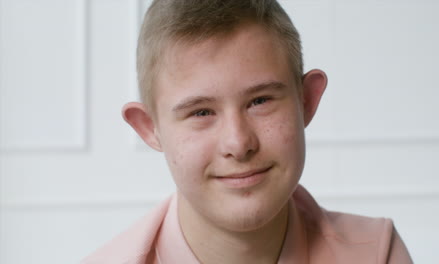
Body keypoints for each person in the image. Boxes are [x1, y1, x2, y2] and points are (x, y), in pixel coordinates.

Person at [81, 0, 413, 263]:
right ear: (150, 128)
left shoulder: (376, 253)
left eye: (260, 101)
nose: (239, 144)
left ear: (307, 100)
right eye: (201, 112)